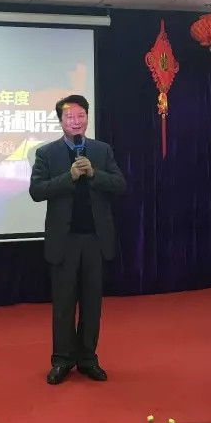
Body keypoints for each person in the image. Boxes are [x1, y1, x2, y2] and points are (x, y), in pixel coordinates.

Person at [29, 95, 126, 385]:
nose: (76, 121)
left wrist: (94, 173)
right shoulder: (46, 153)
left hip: (95, 239)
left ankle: (87, 359)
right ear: (61, 121)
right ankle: (62, 360)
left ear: (87, 118)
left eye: (81, 115)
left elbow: (120, 185)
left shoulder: (101, 150)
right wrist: (68, 176)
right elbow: (37, 191)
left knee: (92, 305)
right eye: (70, 116)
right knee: (64, 305)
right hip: (65, 241)